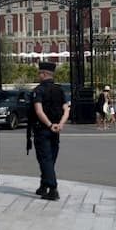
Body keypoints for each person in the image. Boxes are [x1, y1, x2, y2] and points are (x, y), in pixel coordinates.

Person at [30, 62, 69, 200]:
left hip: (43, 130)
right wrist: (60, 124)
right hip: (56, 130)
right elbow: (66, 110)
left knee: (45, 159)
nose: (38, 75)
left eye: (39, 73)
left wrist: (49, 124)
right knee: (50, 159)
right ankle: (43, 186)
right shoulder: (59, 90)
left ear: (44, 74)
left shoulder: (38, 90)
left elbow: (39, 111)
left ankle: (53, 189)